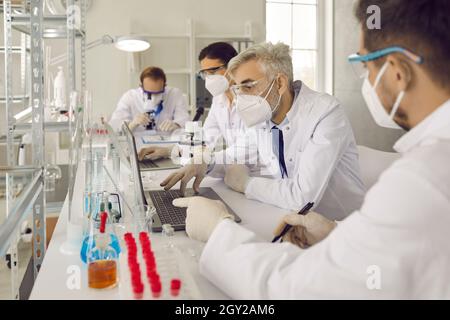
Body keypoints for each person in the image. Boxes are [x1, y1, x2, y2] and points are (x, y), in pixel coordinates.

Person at [173, 0, 450, 299]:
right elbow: (242, 149)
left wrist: (219, 231)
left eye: (363, 66)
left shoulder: (423, 179)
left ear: (397, 71)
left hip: (329, 230)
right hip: (318, 229)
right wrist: (206, 162)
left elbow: (301, 288)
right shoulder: (264, 116)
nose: (366, 80)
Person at [161, 42, 366, 221]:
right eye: (238, 89)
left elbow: (303, 197)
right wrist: (205, 162)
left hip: (340, 228)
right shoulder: (264, 118)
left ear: (279, 83)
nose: (241, 97)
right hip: (291, 219)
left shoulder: (325, 112)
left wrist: (246, 184)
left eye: (248, 86)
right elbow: (234, 155)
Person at [137, 42, 246, 163]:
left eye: (213, 71)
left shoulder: (249, 100)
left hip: (254, 172)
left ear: (233, 67)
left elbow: (246, 148)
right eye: (205, 73)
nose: (209, 78)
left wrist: (208, 161)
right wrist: (169, 151)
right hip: (234, 167)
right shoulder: (219, 99)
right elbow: (205, 138)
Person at [109, 66, 189, 132]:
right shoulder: (130, 97)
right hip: (137, 144)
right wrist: (132, 124)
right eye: (149, 93)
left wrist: (176, 125)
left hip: (165, 145)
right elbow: (114, 126)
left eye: (158, 93)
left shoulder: (175, 94)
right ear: (141, 87)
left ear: (164, 86)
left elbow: (185, 121)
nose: (153, 98)